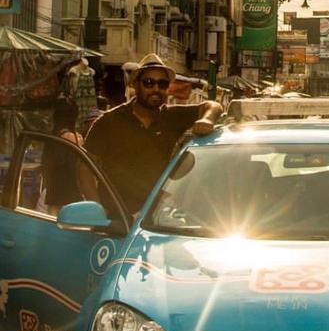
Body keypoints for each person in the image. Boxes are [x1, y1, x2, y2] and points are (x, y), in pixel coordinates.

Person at [84, 53, 223, 217]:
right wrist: (97, 210)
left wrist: (207, 119)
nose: (156, 89)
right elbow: (85, 168)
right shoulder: (108, 121)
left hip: (157, 218)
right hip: (117, 219)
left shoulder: (172, 117)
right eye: (149, 83)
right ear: (136, 85)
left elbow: (212, 105)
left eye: (162, 84)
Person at [42, 97, 85, 212]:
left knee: (52, 221)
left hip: (54, 191)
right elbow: (81, 166)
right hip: (69, 191)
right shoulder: (73, 137)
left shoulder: (51, 137)